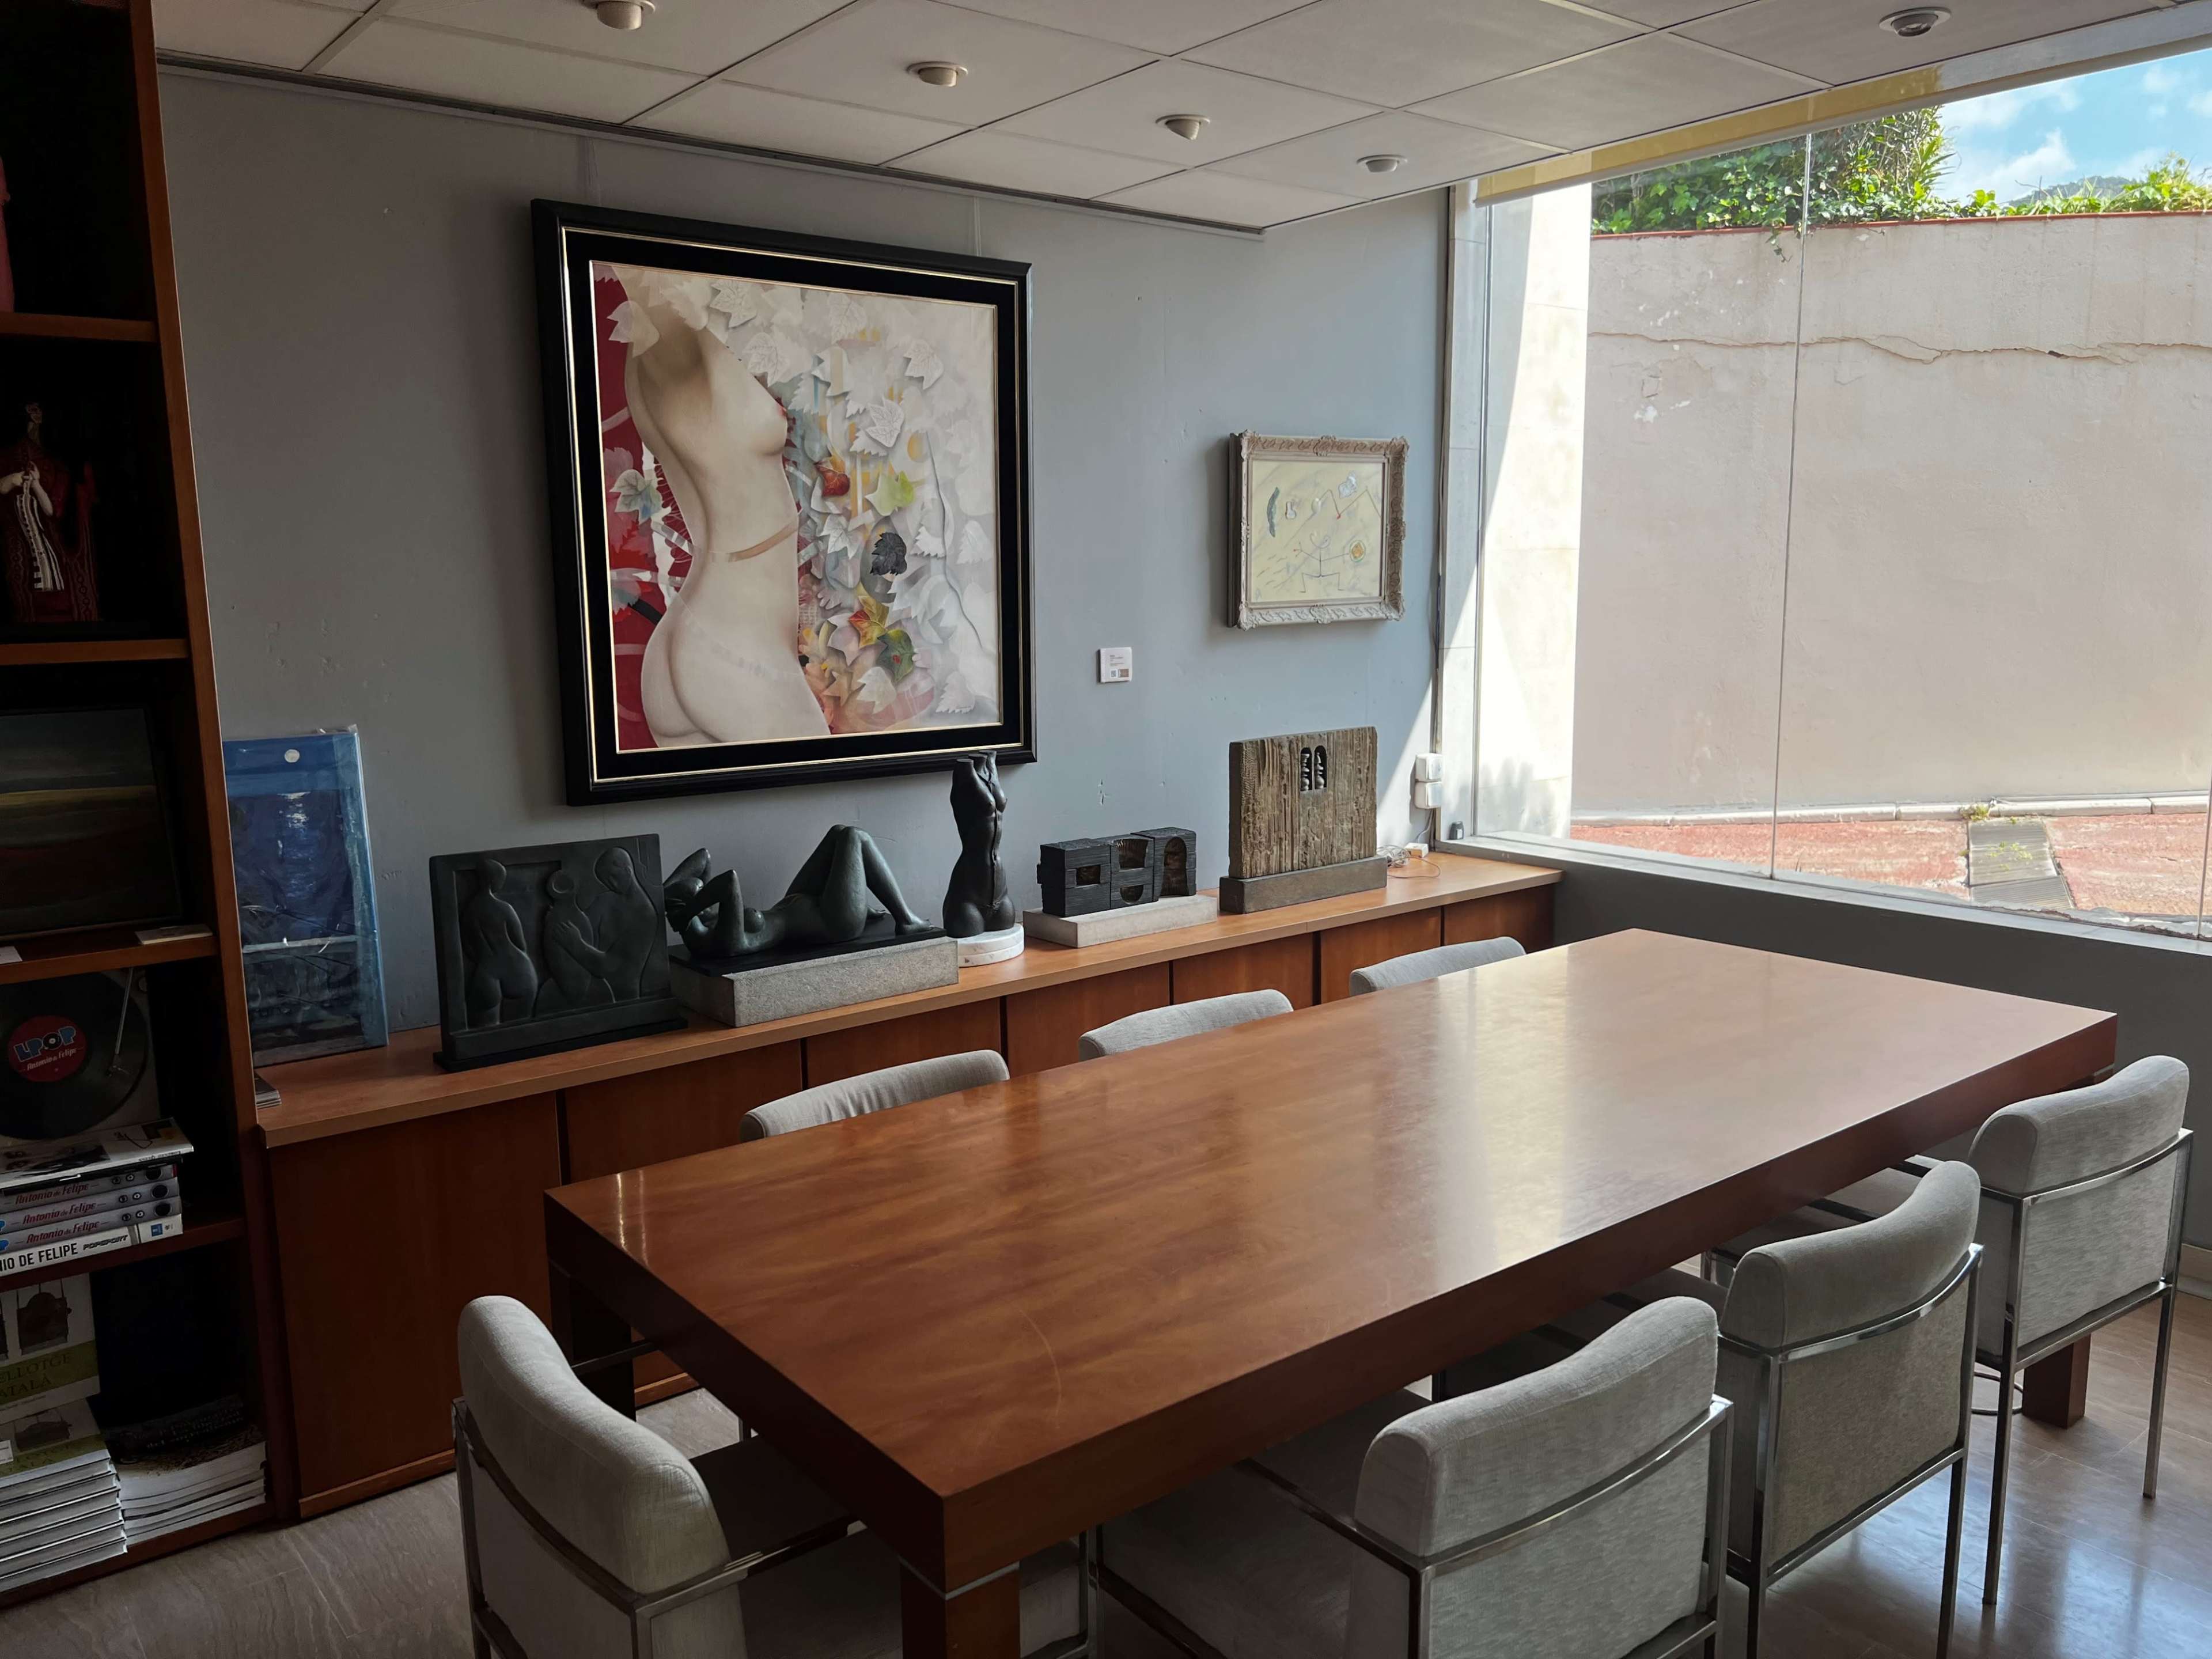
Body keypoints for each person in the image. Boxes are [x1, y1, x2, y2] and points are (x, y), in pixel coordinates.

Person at [665, 829, 929, 960]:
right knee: (853, 837)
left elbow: (703, 858)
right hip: (831, 922)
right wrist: (686, 911)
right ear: (684, 911)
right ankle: (906, 920)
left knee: (837, 832)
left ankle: (860, 902)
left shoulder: (705, 918)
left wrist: (661, 893)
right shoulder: (725, 942)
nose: (702, 887)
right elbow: (728, 881)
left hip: (797, 901)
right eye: (697, 893)